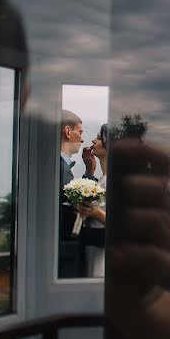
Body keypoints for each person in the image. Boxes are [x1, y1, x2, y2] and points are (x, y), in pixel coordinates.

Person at [58, 108, 99, 278]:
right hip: (63, 255)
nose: (83, 139)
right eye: (80, 132)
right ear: (68, 131)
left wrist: (89, 169)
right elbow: (78, 209)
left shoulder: (61, 167)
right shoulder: (59, 168)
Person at [79, 123, 110, 277]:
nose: (93, 140)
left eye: (98, 138)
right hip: (93, 255)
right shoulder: (102, 180)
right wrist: (89, 169)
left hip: (105, 261)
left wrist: (95, 212)